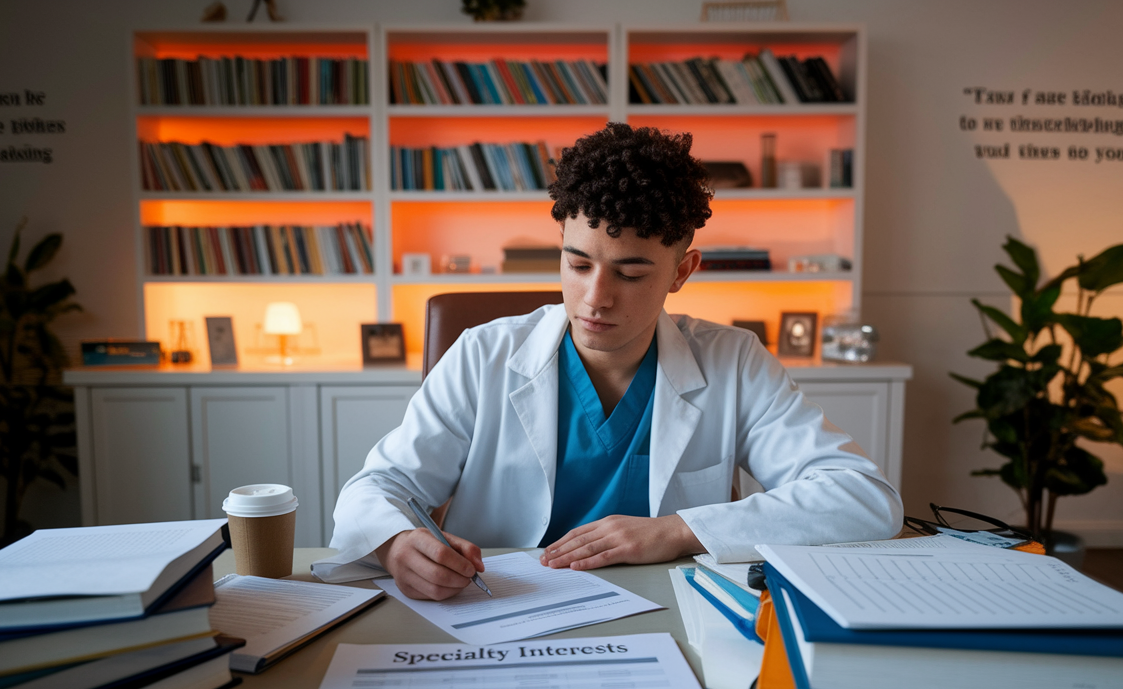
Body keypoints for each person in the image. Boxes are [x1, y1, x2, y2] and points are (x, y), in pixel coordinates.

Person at [331, 123, 902, 600]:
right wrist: (397, 544)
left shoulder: (734, 361)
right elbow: (376, 487)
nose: (595, 298)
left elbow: (864, 498)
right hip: (490, 611)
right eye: (578, 265)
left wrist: (680, 531)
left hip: (668, 616)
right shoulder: (484, 354)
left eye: (631, 273)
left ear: (682, 271)